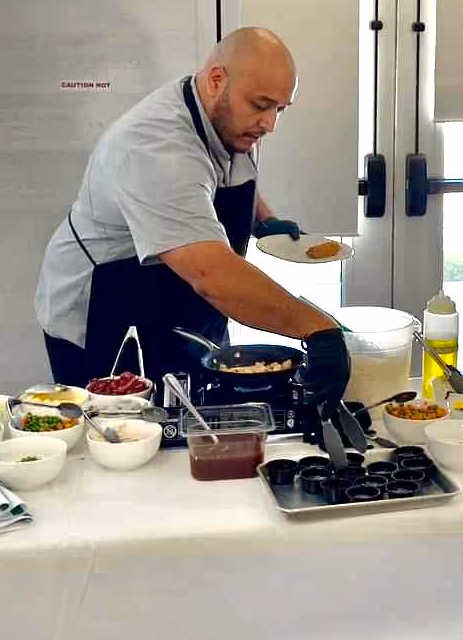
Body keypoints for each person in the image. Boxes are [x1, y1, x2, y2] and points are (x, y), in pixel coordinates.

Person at [34, 27, 348, 411]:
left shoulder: (226, 119)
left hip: (177, 292)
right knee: (124, 437)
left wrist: (264, 220)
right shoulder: (155, 148)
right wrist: (317, 329)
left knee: (199, 415)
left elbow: (224, 175)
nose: (270, 124)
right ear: (217, 80)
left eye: (279, 109)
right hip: (109, 305)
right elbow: (211, 275)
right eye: (261, 105)